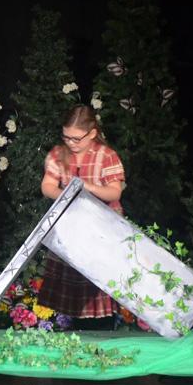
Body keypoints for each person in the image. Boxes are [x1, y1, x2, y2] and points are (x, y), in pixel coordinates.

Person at [37, 104, 125, 327]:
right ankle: (72, 327)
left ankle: (105, 327)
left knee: (99, 280)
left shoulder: (106, 156)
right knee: (71, 288)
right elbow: (47, 186)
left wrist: (86, 188)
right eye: (66, 137)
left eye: (76, 139)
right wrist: (68, 196)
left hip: (102, 231)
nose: (71, 143)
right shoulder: (59, 154)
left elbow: (114, 192)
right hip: (72, 230)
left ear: (92, 133)